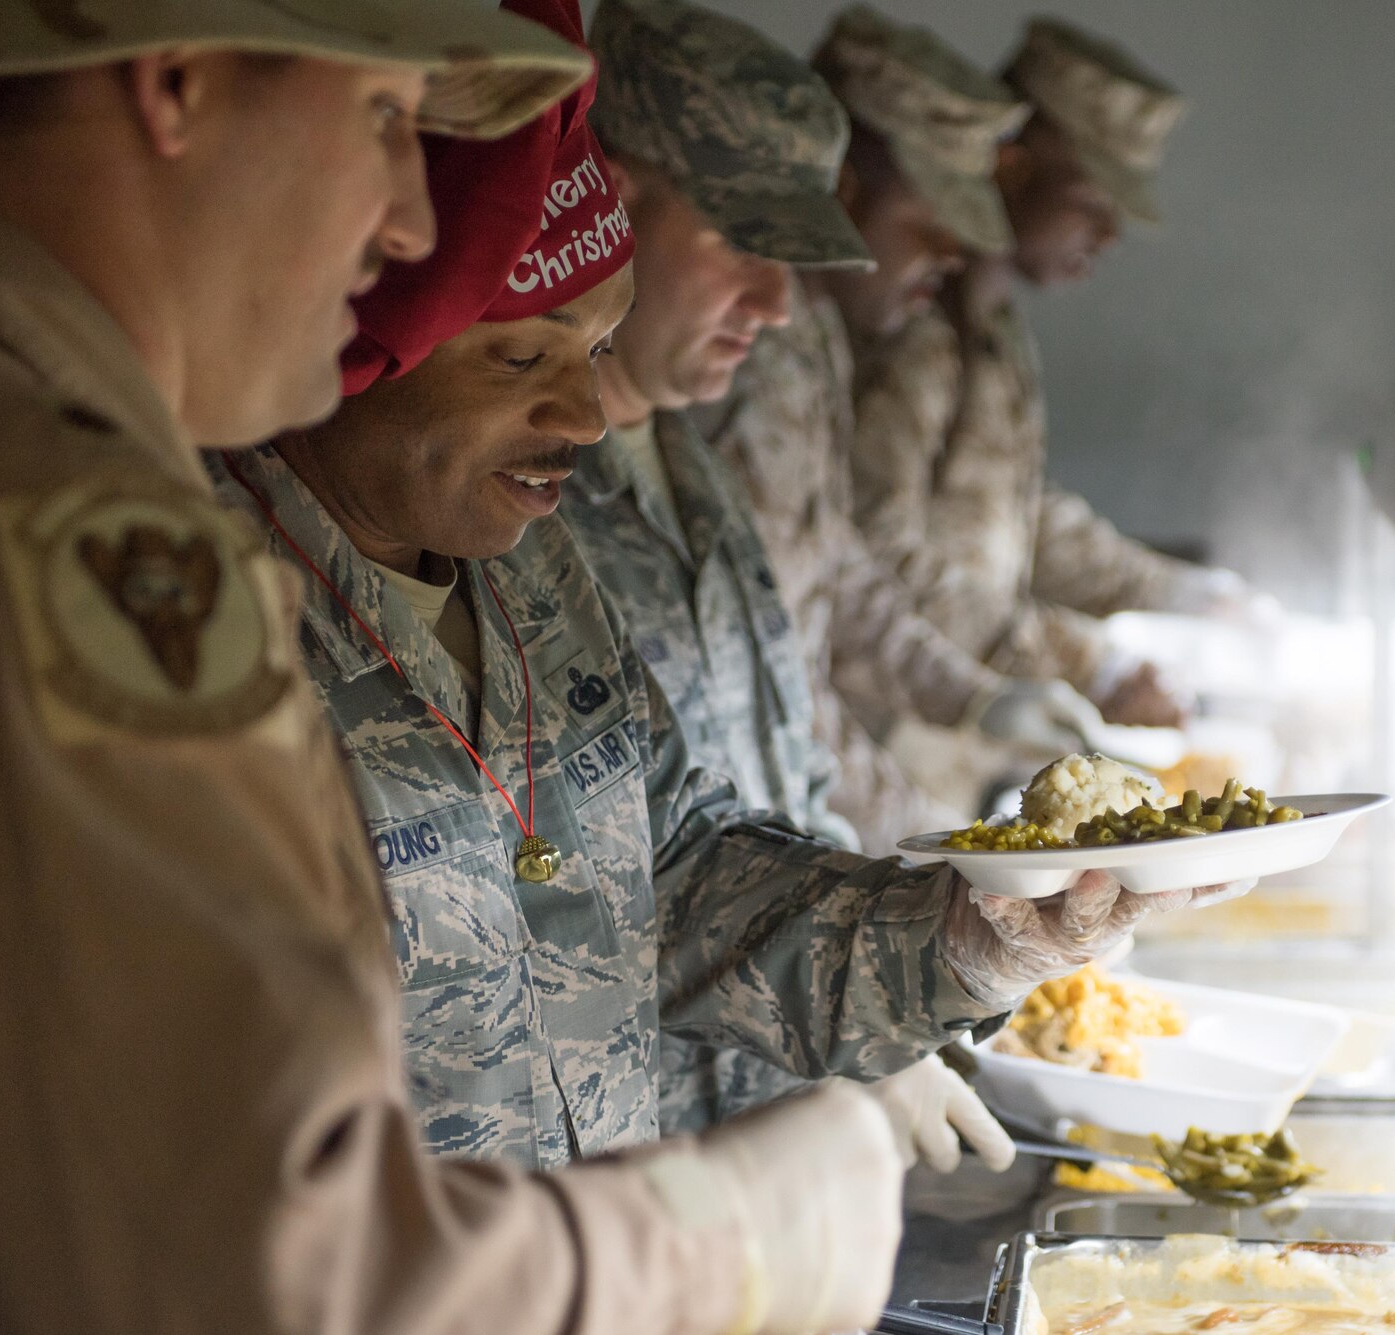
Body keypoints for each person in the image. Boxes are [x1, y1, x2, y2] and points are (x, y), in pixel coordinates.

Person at [212, 0, 1202, 1249]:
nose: (584, 414)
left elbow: (673, 869)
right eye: (519, 361)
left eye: (598, 346)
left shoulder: (528, 570)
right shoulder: (203, 607)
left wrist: (961, 943)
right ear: (361, 334)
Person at [578, 0, 1031, 1167]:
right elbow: (633, 880)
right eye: (740, 243)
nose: (780, 306)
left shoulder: (688, 461)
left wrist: (905, 980)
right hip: (639, 1143)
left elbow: (782, 755)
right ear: (610, 205)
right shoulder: (515, 500)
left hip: (764, 1077)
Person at [699, 1, 1105, 856]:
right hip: (760, 829)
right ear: (845, 191)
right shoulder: (748, 354)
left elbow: (834, 560)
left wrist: (972, 695)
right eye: (929, 226)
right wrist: (929, 837)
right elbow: (776, 676)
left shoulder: (811, 329)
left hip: (818, 809)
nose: (953, 258)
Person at [849, 17, 1264, 730]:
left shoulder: (993, 328)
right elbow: (878, 556)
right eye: (1093, 201)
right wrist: (1083, 663)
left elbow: (1015, 510)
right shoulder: (911, 328)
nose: (1107, 236)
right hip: (905, 728)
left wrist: (1178, 590)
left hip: (967, 728)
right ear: (1014, 166)